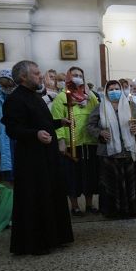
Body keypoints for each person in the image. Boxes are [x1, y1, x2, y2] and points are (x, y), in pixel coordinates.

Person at [1, 60, 73, 255]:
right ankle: (37, 242)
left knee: (51, 193)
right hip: (31, 159)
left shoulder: (35, 96)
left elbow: (44, 122)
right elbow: (13, 129)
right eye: (35, 73)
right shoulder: (15, 99)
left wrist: (59, 122)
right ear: (23, 77)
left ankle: (54, 237)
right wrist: (35, 135)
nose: (40, 76)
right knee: (36, 197)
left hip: (46, 155)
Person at [87, 80, 136, 218]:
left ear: (121, 90)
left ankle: (132, 209)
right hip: (109, 153)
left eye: (116, 89)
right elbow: (90, 126)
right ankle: (112, 210)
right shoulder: (100, 107)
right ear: (106, 92)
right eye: (111, 89)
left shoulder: (131, 106)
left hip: (128, 151)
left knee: (130, 180)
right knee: (111, 182)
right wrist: (100, 133)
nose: (114, 92)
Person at [51, 67, 100, 216]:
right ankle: (75, 206)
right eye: (74, 75)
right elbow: (56, 120)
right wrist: (61, 141)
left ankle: (90, 204)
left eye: (80, 75)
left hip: (89, 141)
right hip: (71, 143)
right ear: (68, 78)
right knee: (73, 176)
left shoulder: (89, 96)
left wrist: (89, 93)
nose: (77, 78)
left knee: (89, 175)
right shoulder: (61, 97)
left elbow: (97, 112)